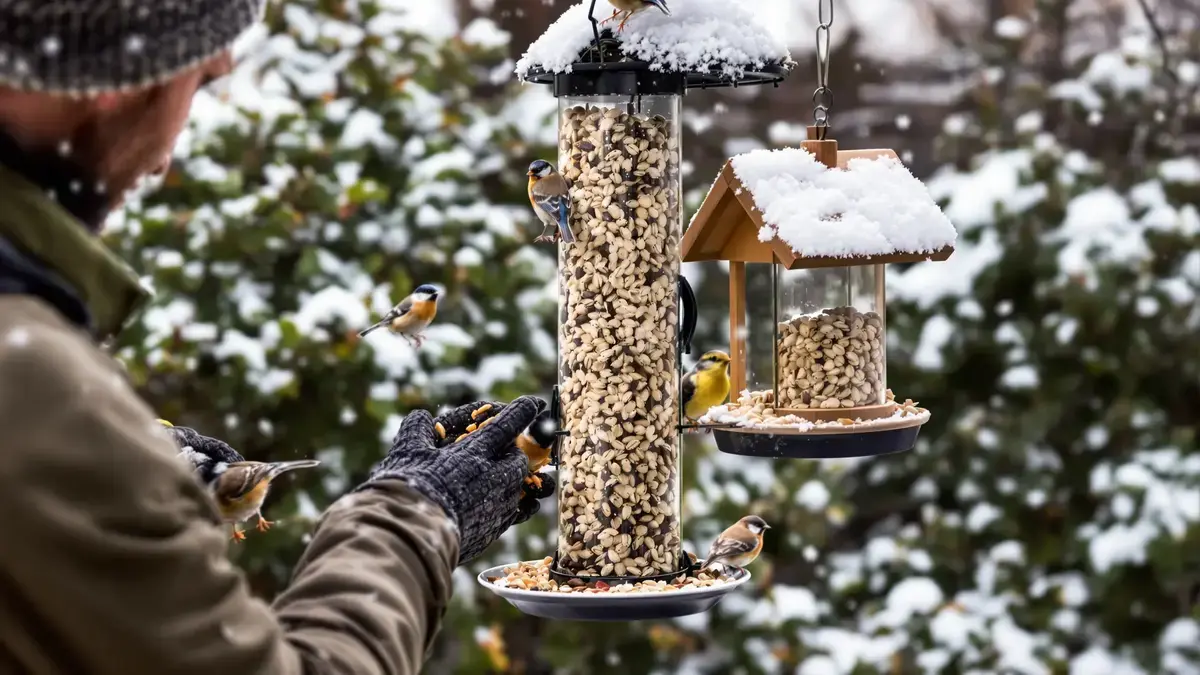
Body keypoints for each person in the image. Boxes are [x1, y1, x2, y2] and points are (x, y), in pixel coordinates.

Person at [0, 1, 551, 672]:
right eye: (199, 81)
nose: (164, 157)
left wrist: (134, 468)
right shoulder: (33, 386)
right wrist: (418, 510)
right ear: (113, 75)